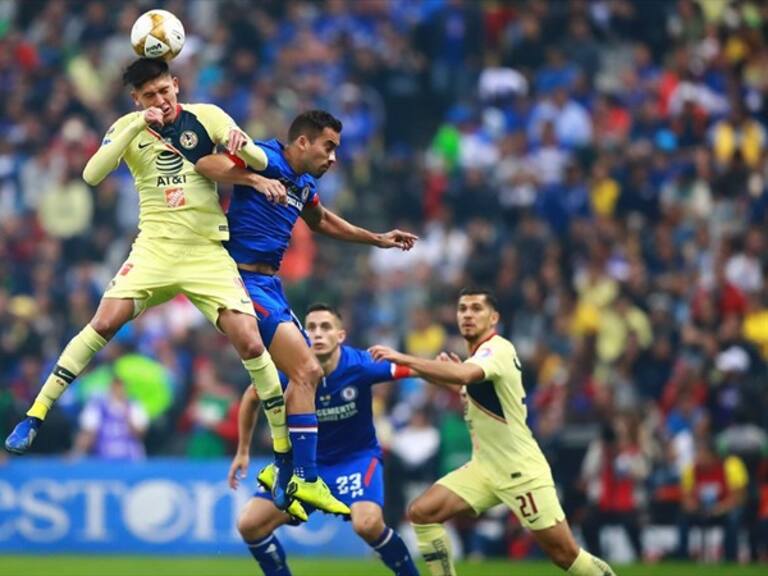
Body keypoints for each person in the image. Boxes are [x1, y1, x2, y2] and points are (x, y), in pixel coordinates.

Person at [5, 59, 292, 485]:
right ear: (136, 99)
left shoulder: (207, 116)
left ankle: (284, 451)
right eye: (150, 95)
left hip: (205, 252)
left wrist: (240, 146)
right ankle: (36, 414)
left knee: (250, 341)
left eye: (165, 90)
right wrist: (139, 123)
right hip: (154, 250)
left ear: (175, 84)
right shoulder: (129, 126)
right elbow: (91, 174)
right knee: (103, 322)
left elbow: (255, 159)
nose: (161, 100)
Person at [195, 110, 418, 515]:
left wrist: (377, 239)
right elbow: (206, 164)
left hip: (271, 286)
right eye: (328, 146)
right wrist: (252, 178)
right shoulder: (264, 156)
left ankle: (284, 475)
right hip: (239, 280)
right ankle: (304, 477)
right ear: (303, 142)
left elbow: (321, 221)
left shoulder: (304, 183)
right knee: (308, 371)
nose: (333, 157)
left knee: (301, 379)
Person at [369, 287, 617, 576]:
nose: (468, 315)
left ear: (493, 317)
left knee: (565, 555)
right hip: (485, 467)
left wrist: (405, 358)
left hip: (519, 470)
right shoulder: (479, 358)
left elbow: (464, 376)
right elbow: (465, 387)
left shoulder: (497, 349)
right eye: (463, 309)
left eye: (476, 309)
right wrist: (439, 374)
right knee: (422, 513)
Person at [227, 303, 419, 576]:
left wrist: (455, 377)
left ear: (340, 335)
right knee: (249, 524)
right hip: (306, 468)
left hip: (354, 461)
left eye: (325, 327)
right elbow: (250, 397)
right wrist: (243, 451)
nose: (317, 334)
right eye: (311, 328)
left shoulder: (361, 365)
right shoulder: (290, 369)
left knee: (368, 525)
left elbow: (416, 371)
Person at [677, 437, 748, 562]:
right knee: (683, 518)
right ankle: (682, 557)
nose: (698, 456)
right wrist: (692, 506)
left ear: (712, 455)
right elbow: (686, 496)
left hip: (724, 510)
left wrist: (720, 508)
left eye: (701, 453)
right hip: (701, 510)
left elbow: (739, 497)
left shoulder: (730, 466)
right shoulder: (691, 469)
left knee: (733, 518)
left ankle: (730, 557)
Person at [70, 375, 148, 461]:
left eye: (122, 387)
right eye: (116, 387)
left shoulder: (134, 405)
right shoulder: (97, 406)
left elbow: (140, 433)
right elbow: (88, 433)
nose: (119, 391)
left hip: (130, 457)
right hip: (103, 457)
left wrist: (127, 415)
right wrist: (76, 452)